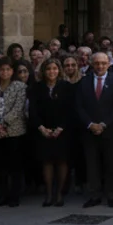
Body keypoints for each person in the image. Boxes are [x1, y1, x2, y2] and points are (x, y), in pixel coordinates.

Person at [76, 52, 113, 208]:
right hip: (89, 131)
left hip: (109, 130)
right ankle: (95, 194)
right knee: (92, 164)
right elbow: (79, 106)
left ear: (108, 64)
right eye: (97, 63)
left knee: (111, 163)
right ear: (92, 64)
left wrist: (104, 124)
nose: (100, 66)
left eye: (103, 63)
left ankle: (111, 194)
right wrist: (90, 124)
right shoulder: (84, 82)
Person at [28, 59, 75, 207]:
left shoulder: (66, 87)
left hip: (62, 130)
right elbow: (32, 110)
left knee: (61, 161)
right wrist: (41, 128)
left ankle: (60, 193)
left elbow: (71, 109)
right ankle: (49, 193)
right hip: (43, 130)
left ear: (59, 70)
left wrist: (61, 128)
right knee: (47, 161)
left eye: (55, 69)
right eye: (48, 69)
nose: (52, 72)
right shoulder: (36, 87)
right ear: (44, 71)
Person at [0, 58, 27, 207]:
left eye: (8, 69)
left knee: (14, 165)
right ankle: (3, 194)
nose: (5, 72)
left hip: (13, 131)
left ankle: (14, 196)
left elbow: (18, 108)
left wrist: (3, 124)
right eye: (2, 70)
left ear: (12, 71)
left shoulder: (20, 87)